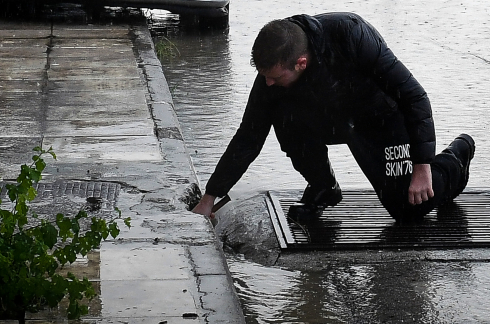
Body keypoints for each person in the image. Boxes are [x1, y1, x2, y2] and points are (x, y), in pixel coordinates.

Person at [192, 13, 475, 223]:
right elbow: (248, 137)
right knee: (283, 116)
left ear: (300, 63)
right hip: (334, 120)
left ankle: (456, 159)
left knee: (408, 208)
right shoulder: (274, 72)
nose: (268, 83)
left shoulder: (352, 35)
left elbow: (414, 96)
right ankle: (324, 188)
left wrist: (421, 164)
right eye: (264, 76)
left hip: (381, 118)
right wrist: (210, 198)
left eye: (275, 77)